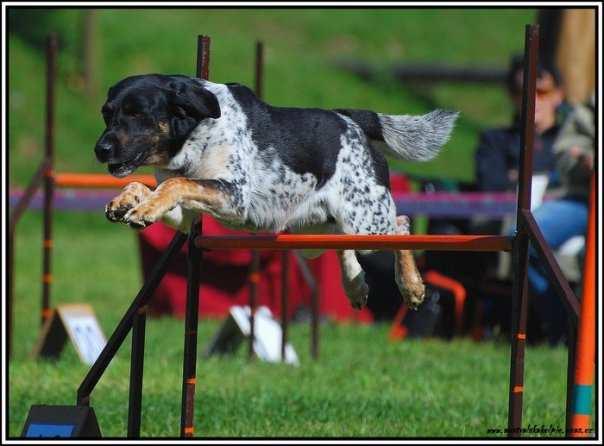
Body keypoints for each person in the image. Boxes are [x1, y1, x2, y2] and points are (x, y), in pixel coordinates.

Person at [526, 93, 595, 345]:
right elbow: (565, 153)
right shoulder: (589, 109)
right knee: (525, 237)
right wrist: (583, 162)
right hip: (582, 198)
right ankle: (562, 328)